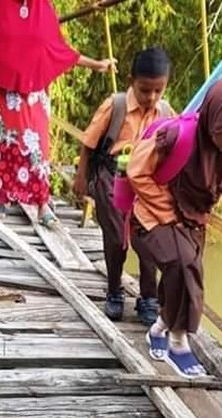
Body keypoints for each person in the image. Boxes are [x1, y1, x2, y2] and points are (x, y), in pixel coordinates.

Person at [127, 78, 222, 377]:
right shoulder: (175, 136)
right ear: (211, 118)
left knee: (183, 272)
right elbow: (136, 171)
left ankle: (159, 327)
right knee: (184, 266)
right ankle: (178, 343)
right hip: (150, 218)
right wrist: (169, 212)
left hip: (192, 224)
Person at [0, 0, 115, 227]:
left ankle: (41, 201)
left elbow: (56, 49)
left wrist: (96, 65)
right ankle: (2, 194)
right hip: (2, 95)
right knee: (0, 144)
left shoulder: (44, 9)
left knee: (36, 150)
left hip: (32, 96)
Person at [74, 47, 176, 325]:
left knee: (149, 240)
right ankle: (114, 290)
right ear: (131, 81)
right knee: (117, 238)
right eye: (145, 90)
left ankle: (149, 297)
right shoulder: (116, 106)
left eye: (159, 90)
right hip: (113, 177)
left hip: (148, 184)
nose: (151, 97)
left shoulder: (166, 112)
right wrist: (82, 177)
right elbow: (89, 143)